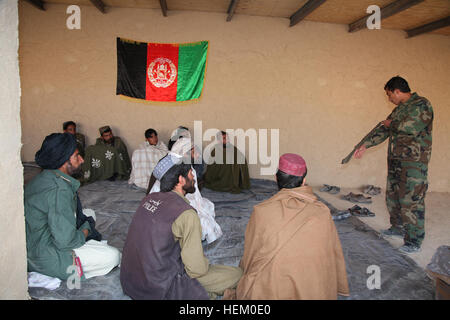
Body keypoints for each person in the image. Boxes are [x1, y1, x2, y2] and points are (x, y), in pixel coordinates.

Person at [224, 153, 349, 300]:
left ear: (276, 178)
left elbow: (251, 255)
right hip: (314, 288)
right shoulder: (322, 212)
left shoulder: (262, 212)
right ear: (304, 181)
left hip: (272, 288)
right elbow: (332, 254)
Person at [120, 154, 242, 300]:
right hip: (159, 287)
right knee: (236, 274)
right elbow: (196, 270)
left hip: (130, 281)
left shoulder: (149, 199)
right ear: (180, 179)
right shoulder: (186, 214)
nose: (194, 178)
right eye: (191, 173)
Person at [24, 133, 120, 281]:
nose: (82, 160)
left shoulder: (44, 177)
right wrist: (85, 231)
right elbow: (66, 242)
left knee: (88, 213)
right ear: (63, 162)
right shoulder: (59, 191)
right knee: (113, 256)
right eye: (76, 156)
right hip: (43, 255)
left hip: (35, 241)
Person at [354, 76, 433, 254]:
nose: (389, 99)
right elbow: (384, 129)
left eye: (390, 95)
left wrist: (392, 123)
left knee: (411, 201)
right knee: (393, 197)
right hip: (396, 162)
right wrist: (366, 145)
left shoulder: (422, 104)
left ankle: (414, 240)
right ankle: (397, 227)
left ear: (397, 91)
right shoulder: (400, 109)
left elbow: (411, 127)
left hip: (414, 164)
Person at [149, 137, 223, 244]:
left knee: (209, 205)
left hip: (184, 199)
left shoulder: (186, 167)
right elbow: (178, 198)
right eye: (194, 152)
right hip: (171, 207)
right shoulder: (174, 171)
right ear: (186, 153)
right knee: (202, 223)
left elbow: (194, 193)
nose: (198, 155)